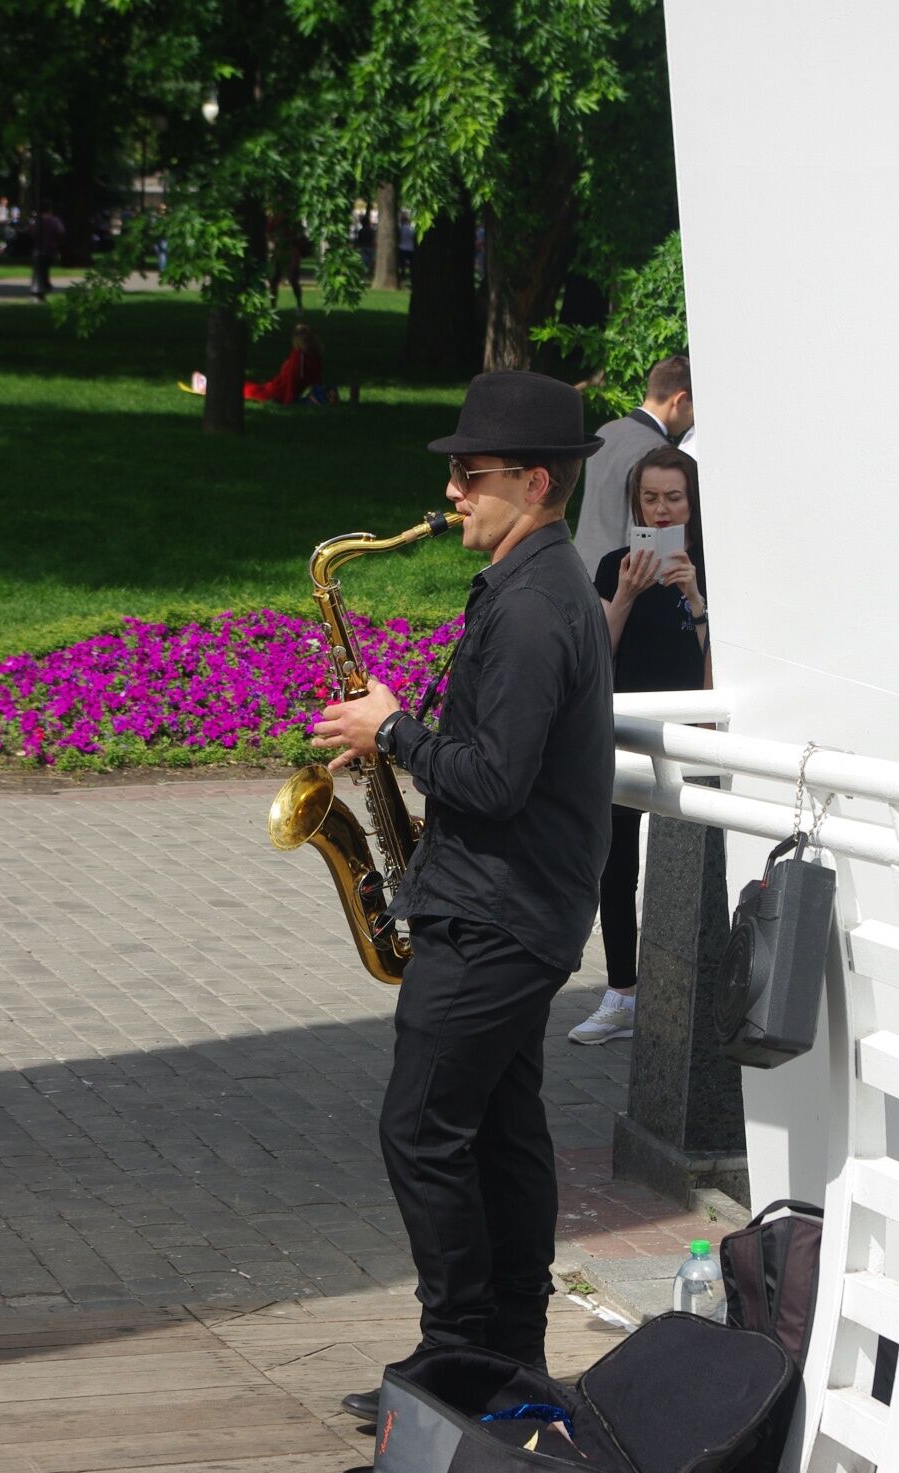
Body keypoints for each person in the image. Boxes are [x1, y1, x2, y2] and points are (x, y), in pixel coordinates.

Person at [310, 370, 614, 1415]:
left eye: (469, 476)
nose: (451, 495)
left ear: (532, 483)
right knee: (501, 1130)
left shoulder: (535, 610)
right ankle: (508, 1358)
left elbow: (494, 777)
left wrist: (390, 732)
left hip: (498, 914)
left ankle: (450, 1363)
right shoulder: (535, 586)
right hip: (507, 905)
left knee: (422, 1127)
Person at [569, 444, 709, 1045]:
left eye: (672, 498)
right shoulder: (614, 565)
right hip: (625, 727)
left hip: (690, 732)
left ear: (693, 504)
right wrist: (624, 593)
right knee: (615, 860)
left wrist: (696, 601)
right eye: (649, 498)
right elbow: (595, 655)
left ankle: (697, 993)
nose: (659, 510)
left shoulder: (713, 565)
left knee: (692, 862)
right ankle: (622, 992)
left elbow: (725, 670)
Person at [574, 355, 696, 576]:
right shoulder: (656, 453)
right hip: (619, 580)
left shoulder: (605, 431)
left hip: (581, 568)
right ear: (680, 400)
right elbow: (642, 532)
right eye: (694, 409)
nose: (693, 419)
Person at [242, 322, 323, 403]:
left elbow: (293, 378)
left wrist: (288, 400)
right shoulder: (315, 355)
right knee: (251, 387)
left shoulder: (298, 355)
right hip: (283, 388)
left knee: (248, 389)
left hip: (280, 391)